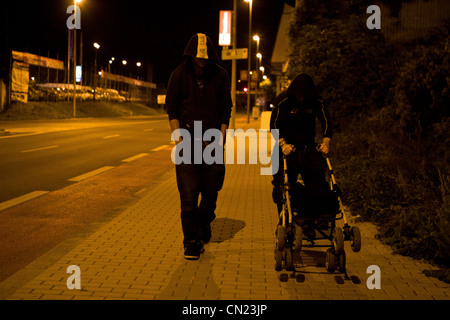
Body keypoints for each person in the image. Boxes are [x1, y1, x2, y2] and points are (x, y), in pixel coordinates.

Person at [166, 33, 232, 260]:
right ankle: (190, 242)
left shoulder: (221, 76)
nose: (201, 61)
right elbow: (172, 109)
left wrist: (221, 141)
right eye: (197, 57)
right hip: (187, 143)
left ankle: (204, 223)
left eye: (204, 57)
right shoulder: (178, 75)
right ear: (190, 55)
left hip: (212, 143)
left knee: (211, 196)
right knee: (188, 198)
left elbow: (226, 110)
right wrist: (178, 140)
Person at [270, 73, 334, 225]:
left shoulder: (316, 100)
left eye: (304, 97)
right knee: (283, 182)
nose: (301, 99)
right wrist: (282, 144)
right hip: (285, 145)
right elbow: (274, 125)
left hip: (307, 145)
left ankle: (314, 216)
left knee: (316, 178)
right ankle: (284, 218)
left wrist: (326, 142)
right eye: (298, 96)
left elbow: (326, 122)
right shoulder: (283, 100)